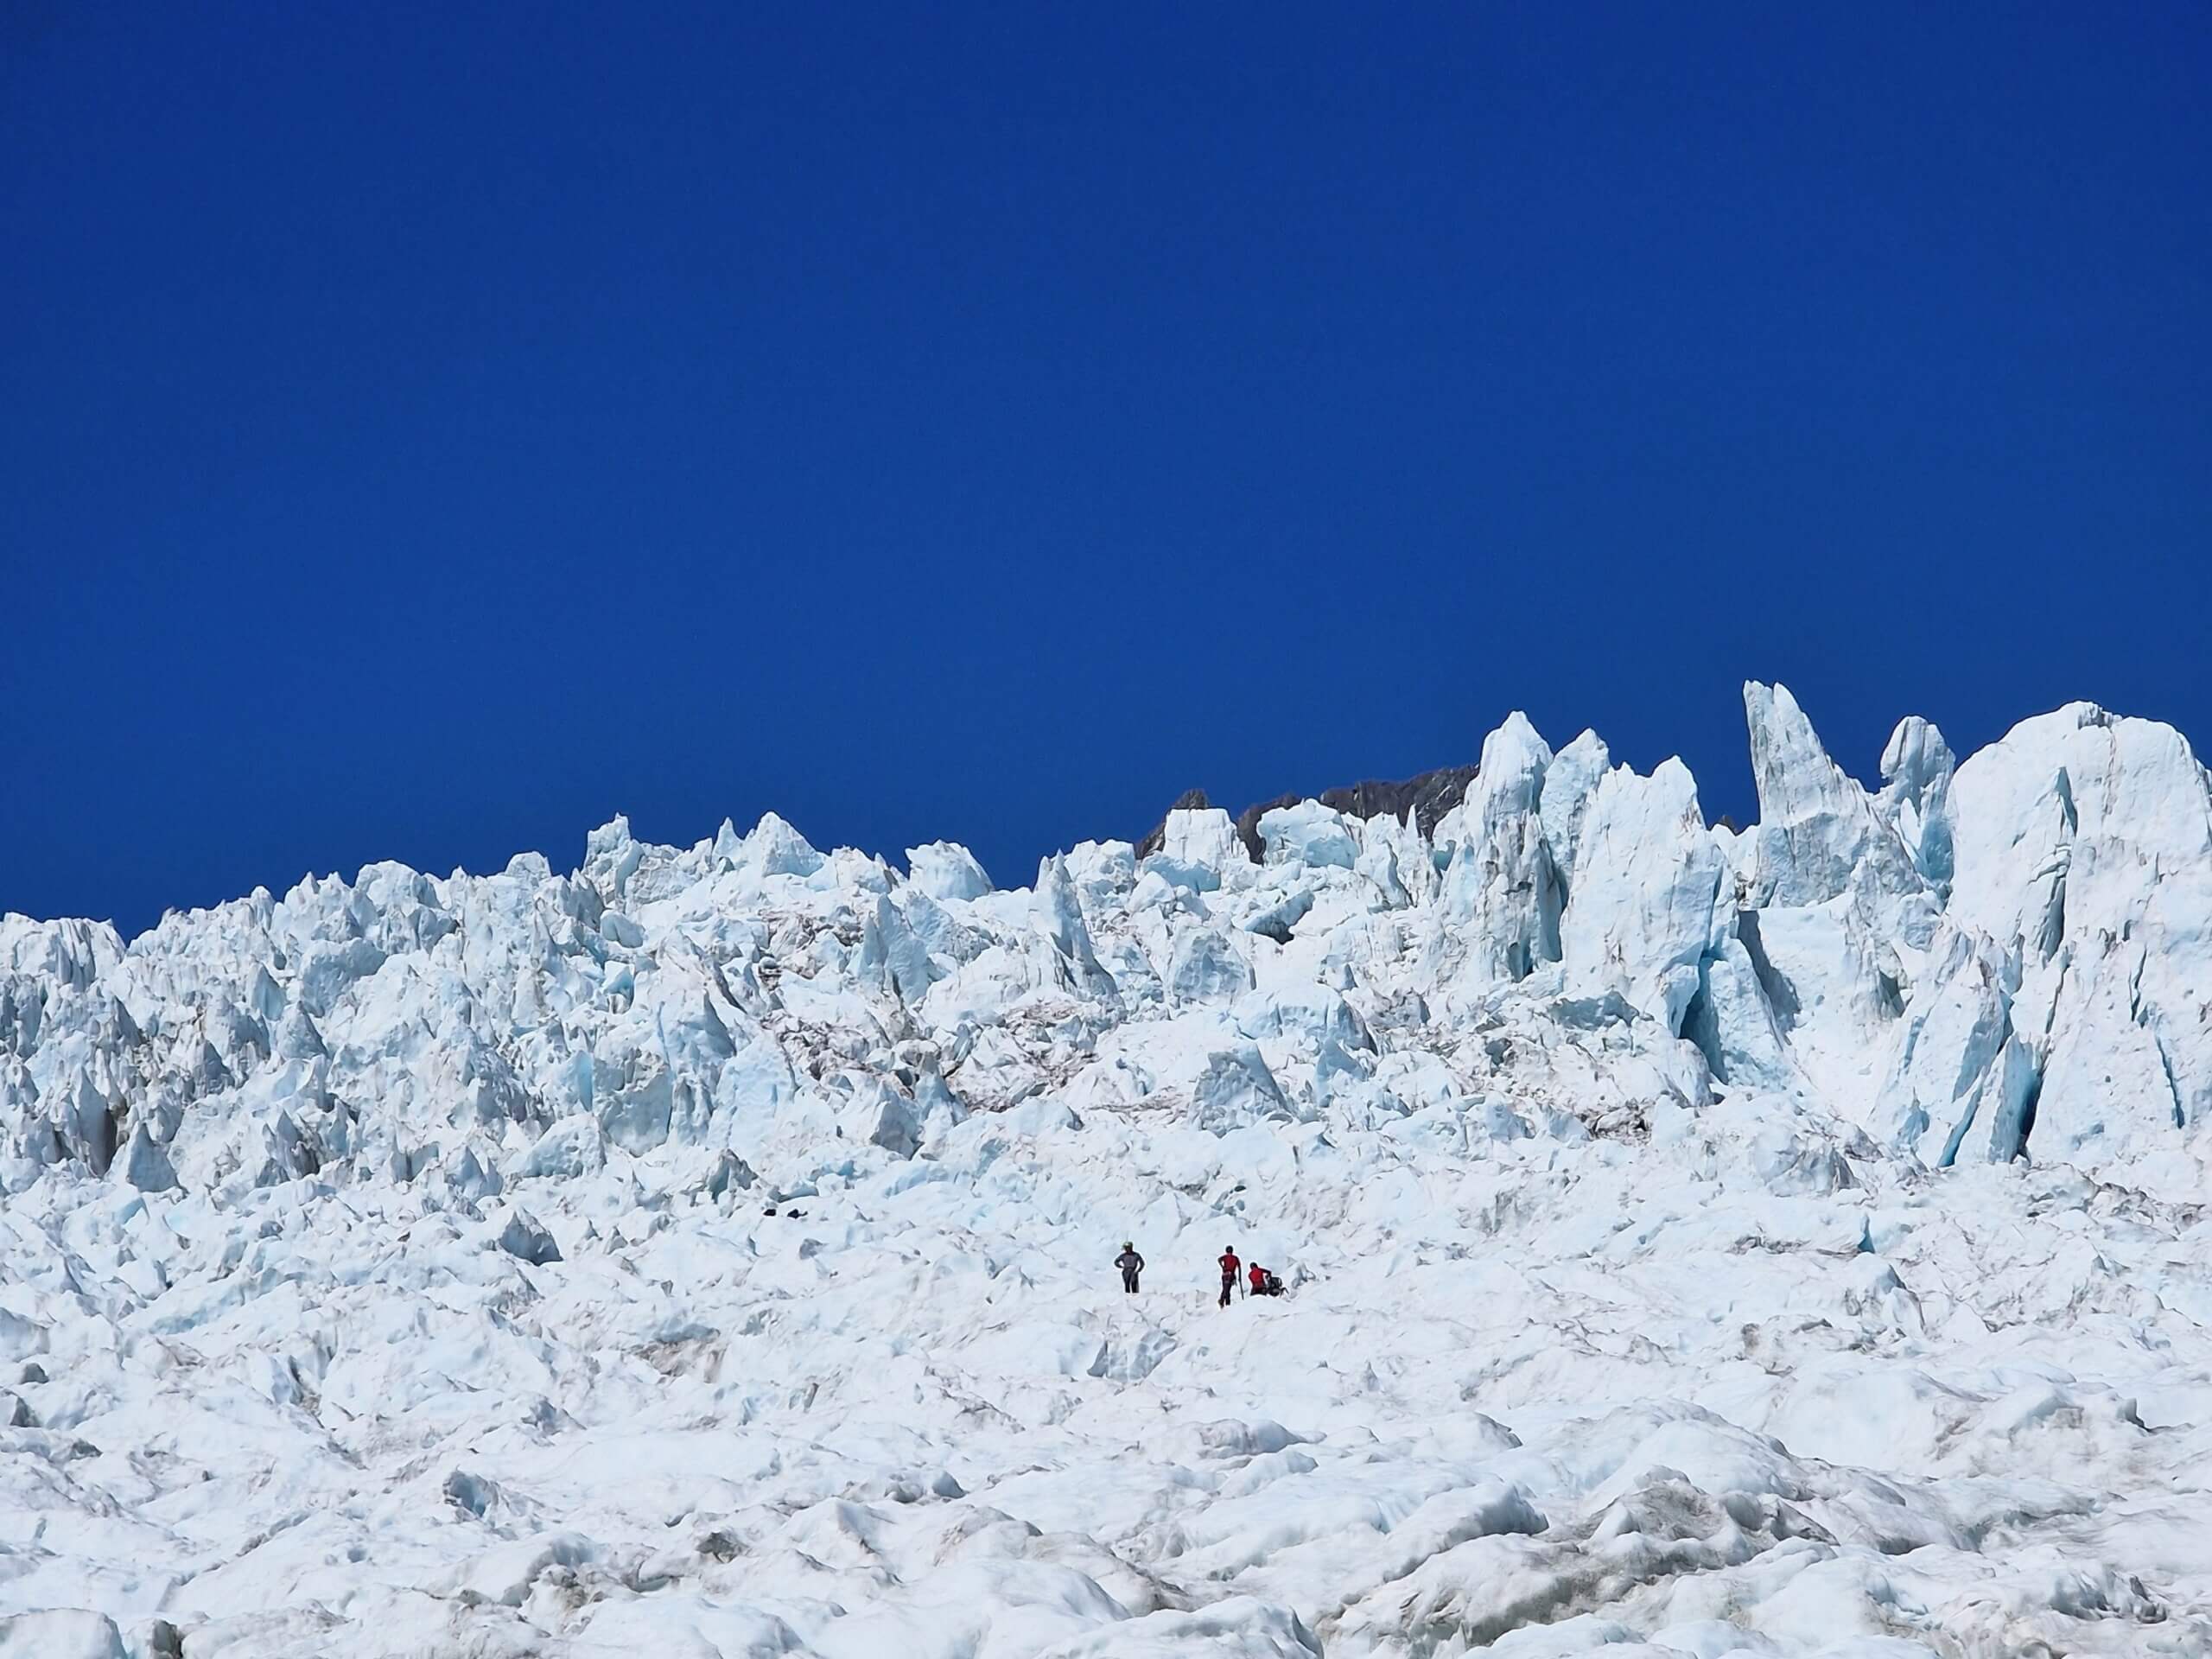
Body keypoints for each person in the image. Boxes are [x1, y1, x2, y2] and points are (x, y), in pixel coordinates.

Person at [1217, 1244, 1241, 1308]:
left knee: (1225, 1288)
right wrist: (1240, 1277)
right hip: (1231, 1275)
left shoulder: (1225, 1257)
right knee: (1227, 1289)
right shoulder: (1236, 1258)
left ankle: (1223, 1301)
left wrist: (1222, 1267)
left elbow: (1219, 1259)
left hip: (1225, 1274)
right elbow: (1239, 1268)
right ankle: (1226, 1302)